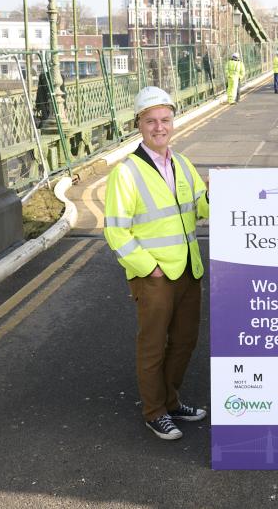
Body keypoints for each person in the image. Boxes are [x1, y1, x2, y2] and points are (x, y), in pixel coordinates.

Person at [104, 86, 210, 441]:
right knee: (152, 346)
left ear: (173, 122)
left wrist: (225, 189)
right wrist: (149, 268)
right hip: (155, 276)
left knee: (184, 342)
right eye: (151, 121)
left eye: (165, 119)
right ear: (139, 124)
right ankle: (154, 411)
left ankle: (172, 401)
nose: (159, 127)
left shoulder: (181, 163)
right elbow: (116, 231)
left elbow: (202, 209)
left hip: (189, 271)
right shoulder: (127, 172)